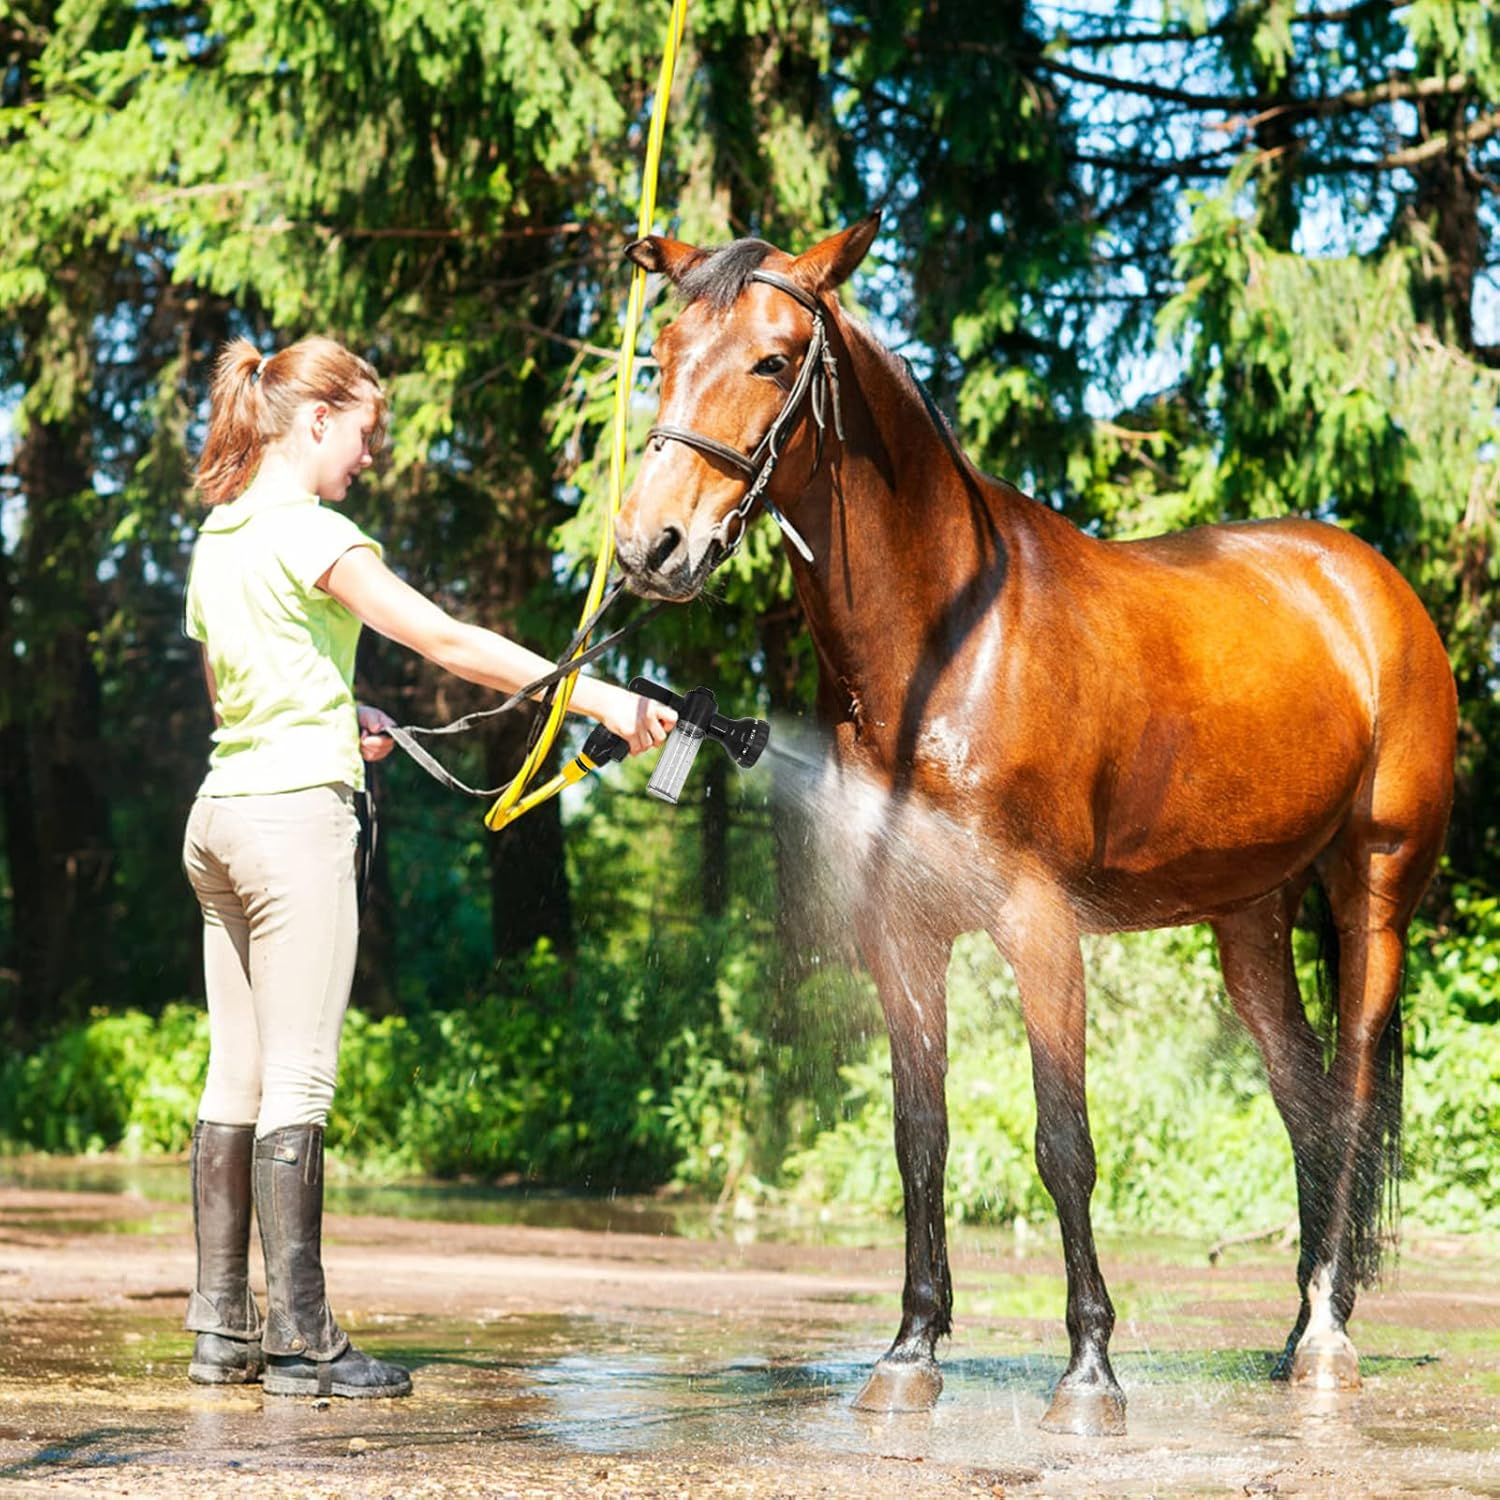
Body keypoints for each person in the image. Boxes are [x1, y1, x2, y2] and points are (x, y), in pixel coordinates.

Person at [181, 335, 675, 1400]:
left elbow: (236, 696)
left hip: (217, 820)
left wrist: (338, 709)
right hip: (291, 826)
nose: (370, 455)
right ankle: (303, 1342)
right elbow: (447, 641)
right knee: (299, 1082)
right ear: (315, 420)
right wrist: (605, 700)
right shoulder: (314, 533)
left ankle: (220, 1330)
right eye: (364, 433)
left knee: (237, 1075)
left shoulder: (218, 537)